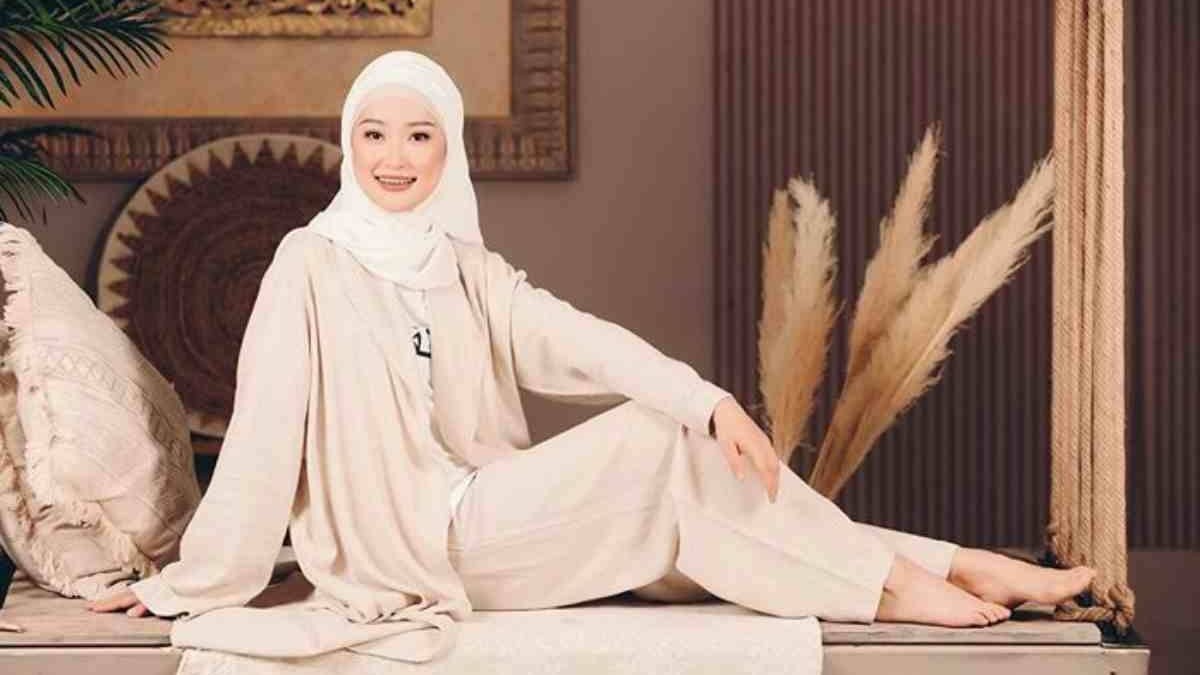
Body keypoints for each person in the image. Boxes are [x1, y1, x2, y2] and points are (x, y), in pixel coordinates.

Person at [89, 51, 1095, 663]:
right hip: (419, 552)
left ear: (448, 151)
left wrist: (710, 401)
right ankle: (897, 587)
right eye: (375, 134)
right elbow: (263, 441)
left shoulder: (466, 268)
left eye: (420, 136)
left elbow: (580, 341)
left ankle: (948, 562)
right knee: (661, 451)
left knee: (701, 483)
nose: (395, 157)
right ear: (350, 143)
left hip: (490, 518)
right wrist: (194, 582)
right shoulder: (307, 264)